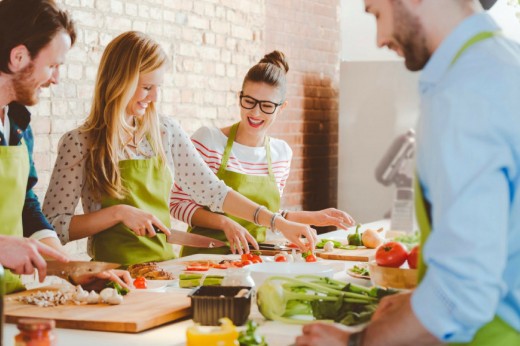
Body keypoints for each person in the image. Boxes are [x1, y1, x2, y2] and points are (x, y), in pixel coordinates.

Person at [296, 0, 520, 345]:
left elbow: (462, 292)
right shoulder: (503, 64)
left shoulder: (464, 93)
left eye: (376, 13)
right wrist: (418, 306)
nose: (379, 39)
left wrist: (355, 341)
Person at [43, 31, 317, 266]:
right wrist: (118, 213)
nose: (154, 98)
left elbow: (214, 192)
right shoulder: (80, 142)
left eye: (157, 87)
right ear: (118, 82)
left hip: (164, 272)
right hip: (110, 276)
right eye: (147, 87)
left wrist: (278, 224)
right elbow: (54, 224)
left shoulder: (165, 132)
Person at [0, 0, 129, 294]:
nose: (56, 79)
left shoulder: (17, 124)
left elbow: (24, 206)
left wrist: (70, 268)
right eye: (52, 66)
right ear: (18, 56)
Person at [171, 51, 355, 256]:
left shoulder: (281, 153)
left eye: (267, 106)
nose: (255, 113)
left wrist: (313, 217)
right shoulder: (209, 141)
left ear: (281, 108)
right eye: (249, 101)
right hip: (203, 260)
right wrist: (224, 223)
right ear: (239, 97)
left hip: (253, 260)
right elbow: (177, 203)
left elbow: (268, 216)